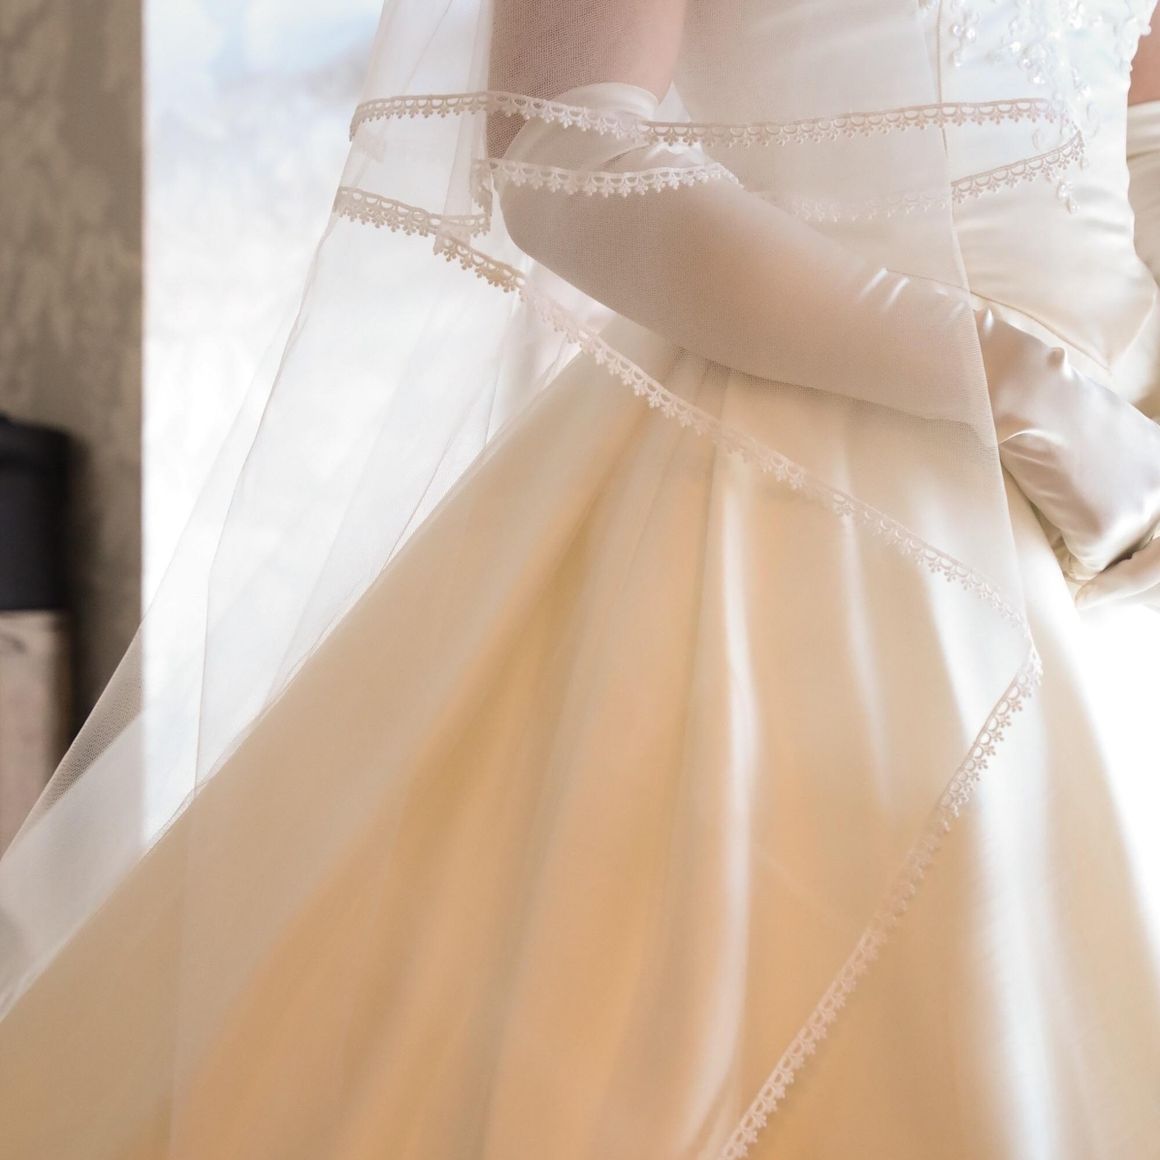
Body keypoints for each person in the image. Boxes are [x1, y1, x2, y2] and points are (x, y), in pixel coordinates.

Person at [1, 2, 1158, 1156]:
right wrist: (1006, 382)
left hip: (1116, 501)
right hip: (803, 496)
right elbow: (561, 150)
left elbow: (1140, 140)